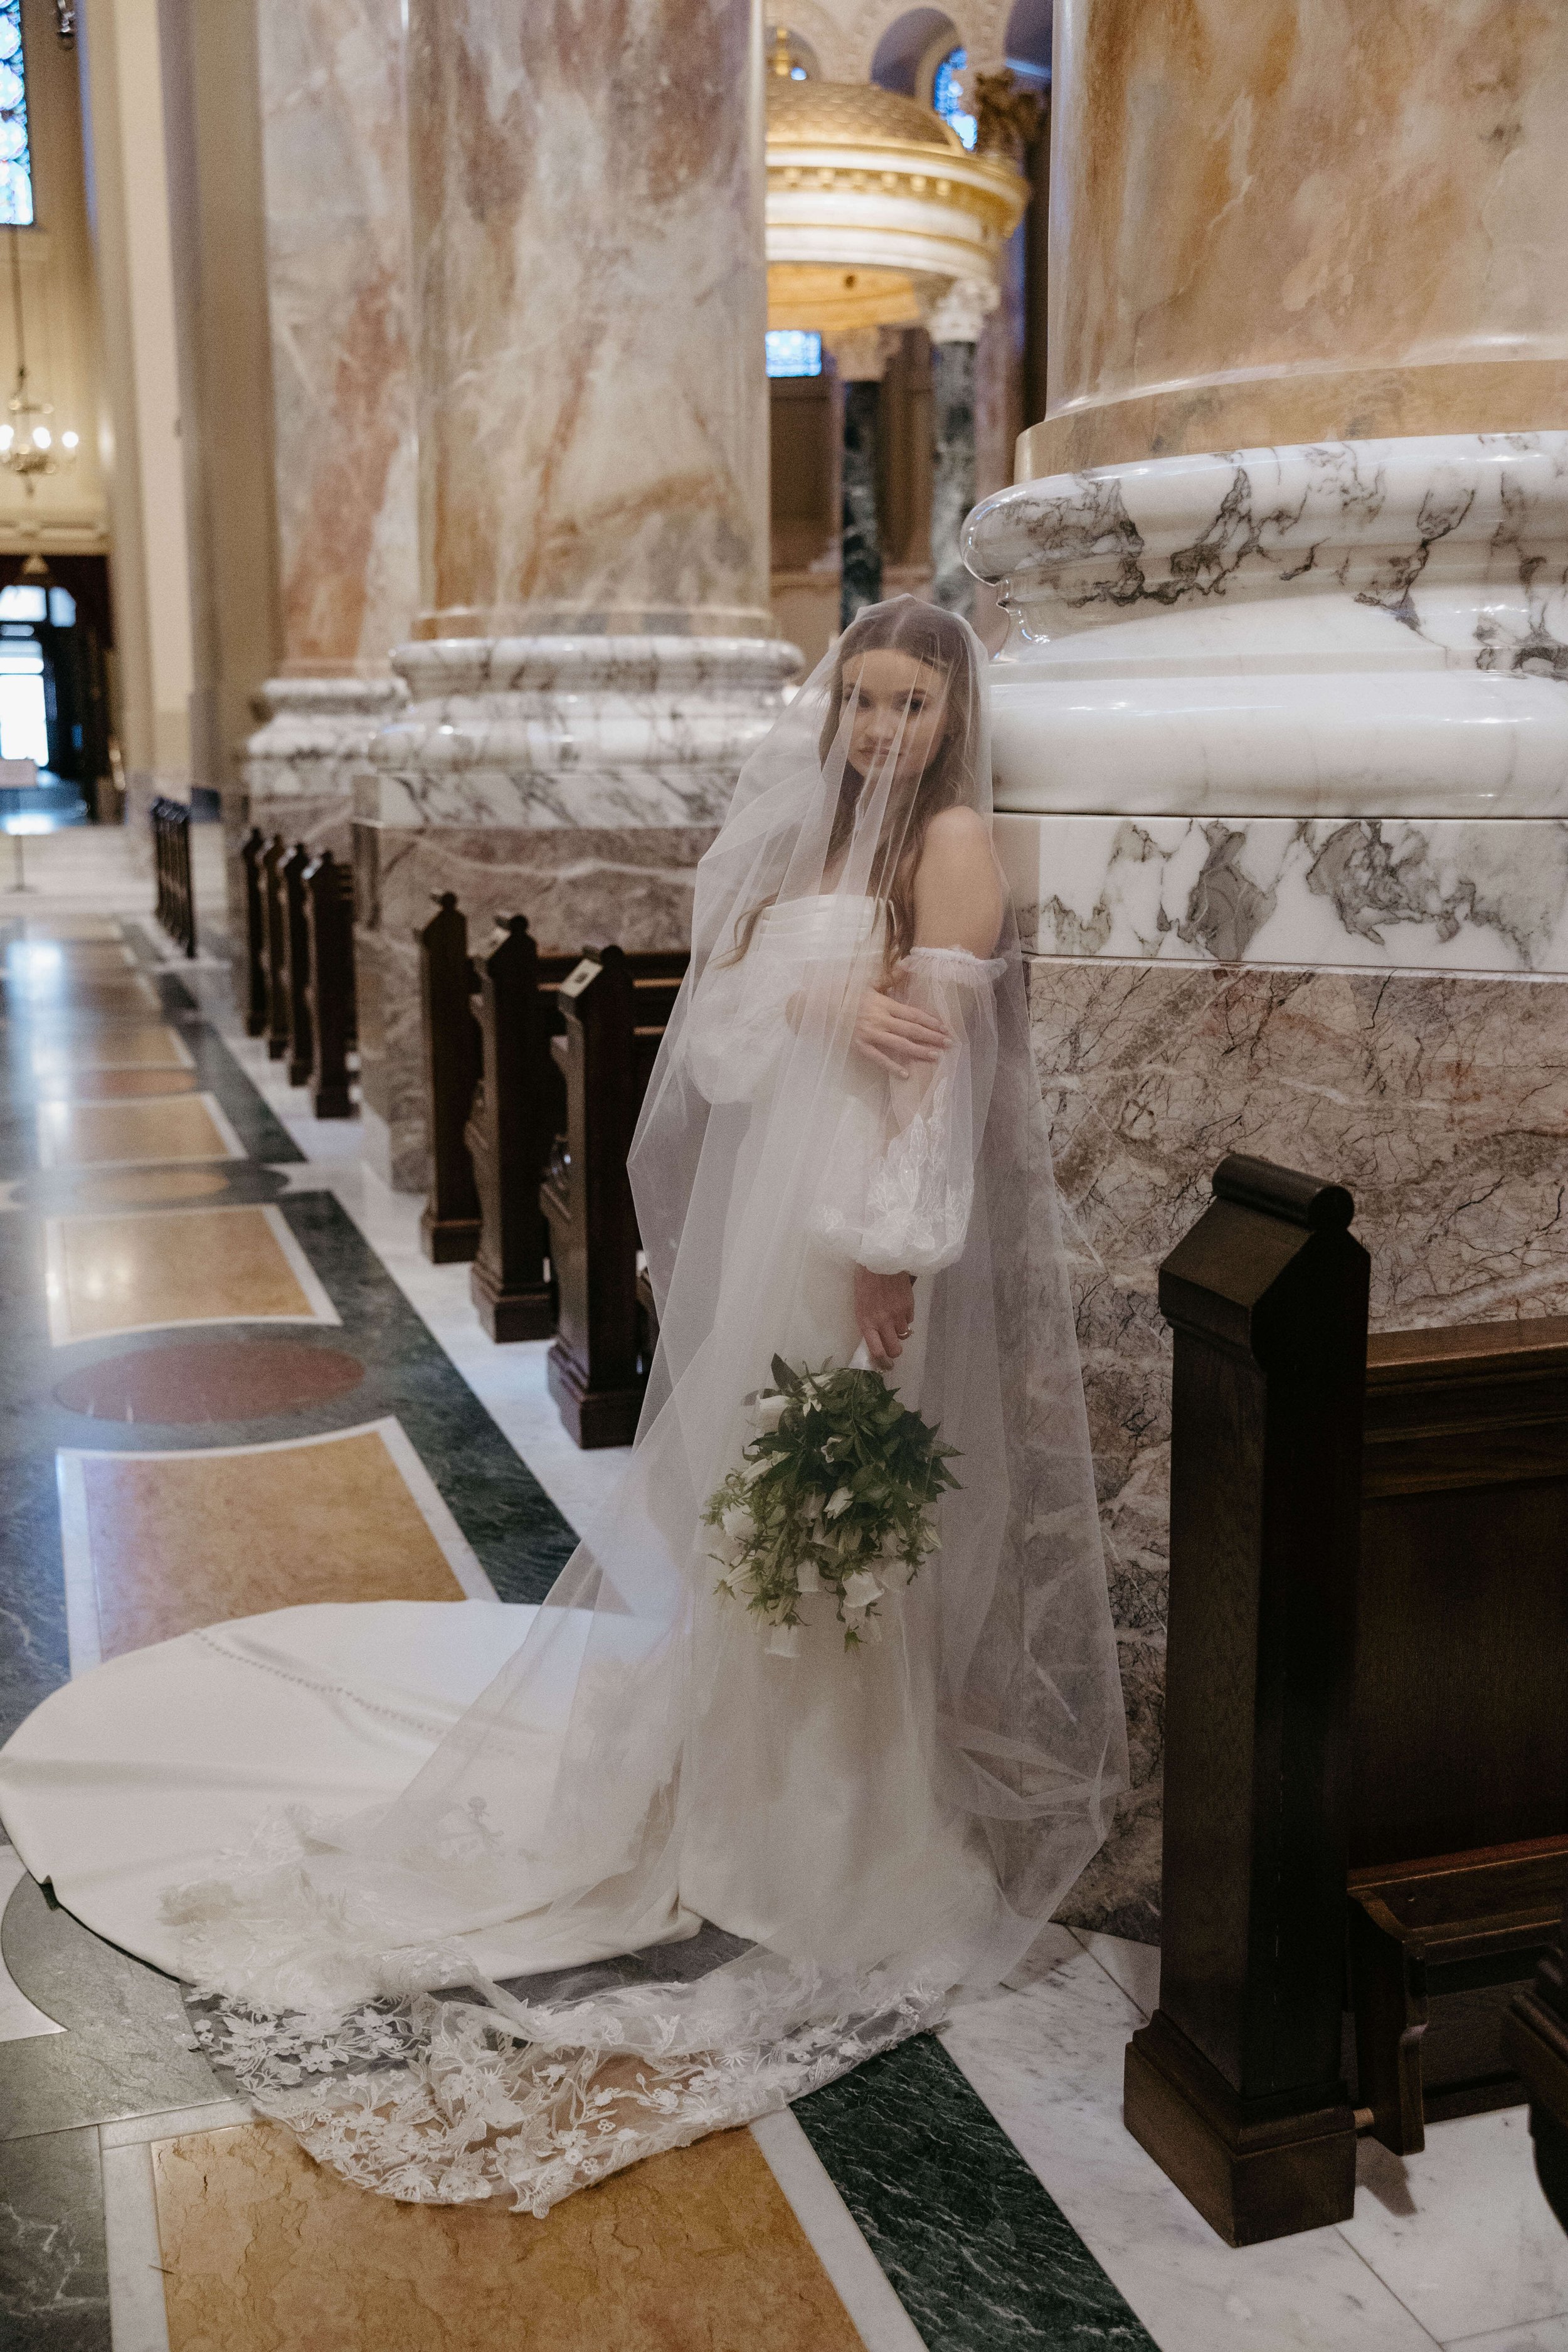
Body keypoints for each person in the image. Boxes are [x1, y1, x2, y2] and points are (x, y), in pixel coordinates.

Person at [0, 597, 1127, 2215]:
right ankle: (732, 1803)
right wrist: (807, 1004)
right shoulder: (818, 836)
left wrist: (896, 1259)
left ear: (955, 721)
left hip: (855, 1228)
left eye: (910, 709)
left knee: (829, 1511)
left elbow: (942, 1085)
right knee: (750, 1500)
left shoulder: (950, 848)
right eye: (864, 704)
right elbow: (729, 1043)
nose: (881, 734)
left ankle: (840, 1833)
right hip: (767, 1220)